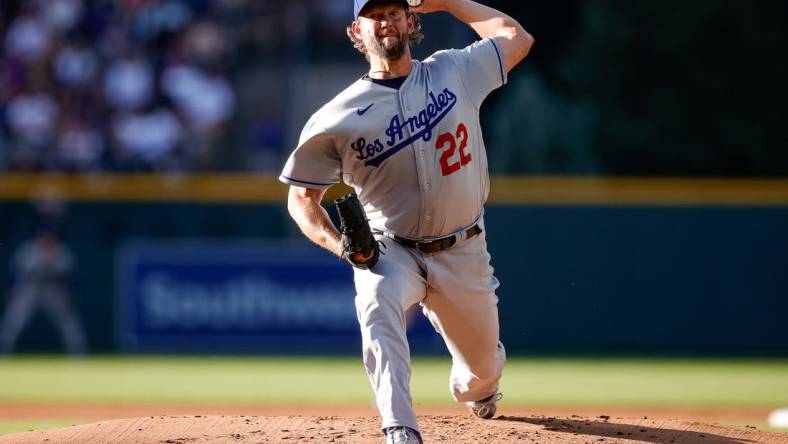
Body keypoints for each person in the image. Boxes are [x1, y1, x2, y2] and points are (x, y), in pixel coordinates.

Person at [279, 0, 533, 442]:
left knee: (481, 374)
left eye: (394, 11)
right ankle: (399, 427)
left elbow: (517, 38)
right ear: (355, 32)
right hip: (391, 249)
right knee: (376, 298)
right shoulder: (335, 118)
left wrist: (449, 2)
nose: (385, 21)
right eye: (373, 14)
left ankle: (477, 388)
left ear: (412, 21)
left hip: (463, 249)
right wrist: (341, 245)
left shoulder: (455, 71)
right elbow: (301, 198)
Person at [0, 222, 88, 356]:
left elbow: (71, 277)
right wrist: (12, 291)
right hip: (30, 289)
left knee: (68, 320)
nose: (46, 238)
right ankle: (3, 348)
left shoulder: (61, 251)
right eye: (43, 235)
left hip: (53, 290)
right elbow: (15, 273)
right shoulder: (29, 250)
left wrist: (70, 293)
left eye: (49, 235)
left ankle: (78, 351)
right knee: (14, 318)